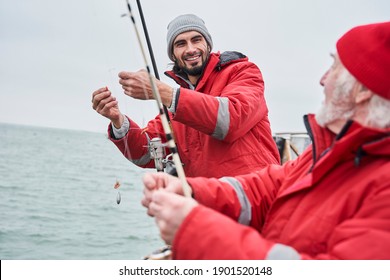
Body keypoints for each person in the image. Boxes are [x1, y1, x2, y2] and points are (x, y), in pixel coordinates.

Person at [141, 21, 390, 259]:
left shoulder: (383, 187)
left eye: (335, 67)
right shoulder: (329, 151)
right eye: (180, 43)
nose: (322, 79)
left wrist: (194, 229)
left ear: (363, 91)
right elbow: (267, 187)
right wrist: (193, 192)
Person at [92, 14, 280, 178]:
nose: (190, 49)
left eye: (196, 39)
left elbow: (230, 120)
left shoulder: (243, 72)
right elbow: (145, 154)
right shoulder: (176, 106)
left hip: (257, 202)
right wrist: (118, 121)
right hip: (206, 210)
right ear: (173, 55)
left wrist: (162, 92)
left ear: (208, 44)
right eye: (180, 44)